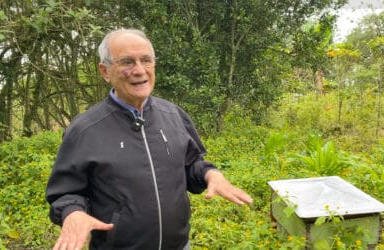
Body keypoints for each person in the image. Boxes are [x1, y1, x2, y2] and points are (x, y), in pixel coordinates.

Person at [46, 28, 253, 250]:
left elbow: (192, 164)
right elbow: (65, 191)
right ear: (105, 71)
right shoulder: (85, 129)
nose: (139, 70)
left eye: (146, 60)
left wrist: (211, 174)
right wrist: (73, 212)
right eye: (127, 62)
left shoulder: (173, 115)